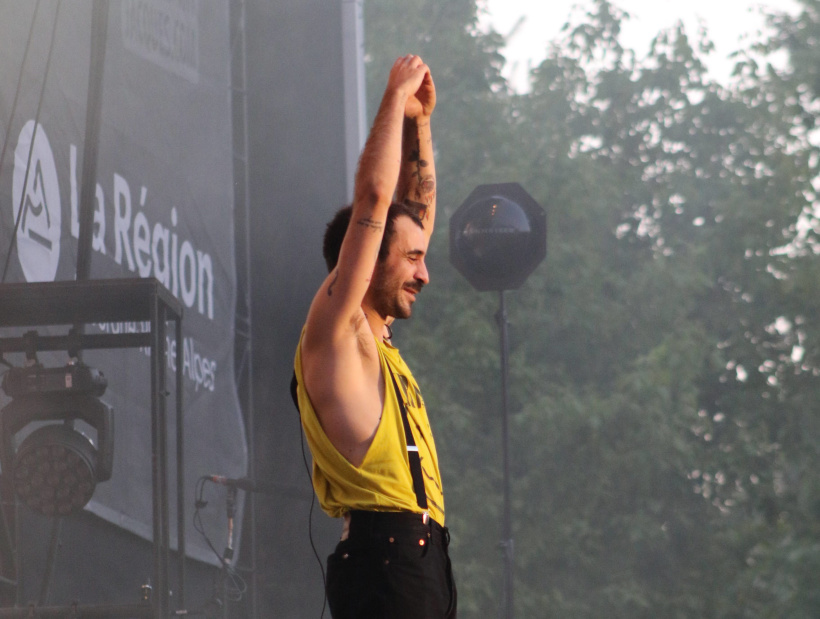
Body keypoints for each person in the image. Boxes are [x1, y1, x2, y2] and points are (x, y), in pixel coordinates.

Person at [292, 55, 456, 618]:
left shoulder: (379, 339)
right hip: (384, 562)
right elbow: (377, 204)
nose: (424, 273)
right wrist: (394, 93)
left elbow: (413, 217)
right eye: (412, 259)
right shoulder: (338, 330)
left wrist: (420, 120)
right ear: (363, 260)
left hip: (422, 559)